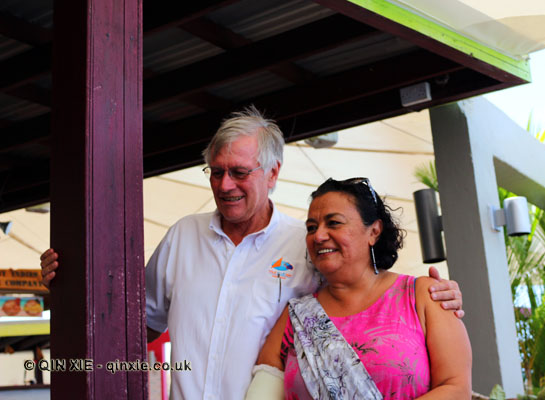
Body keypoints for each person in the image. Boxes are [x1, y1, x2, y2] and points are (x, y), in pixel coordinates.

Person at [40, 106, 464, 399]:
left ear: (273, 172)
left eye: (240, 172)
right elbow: (135, 329)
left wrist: (441, 298)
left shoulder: (307, 246)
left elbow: (364, 297)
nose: (225, 185)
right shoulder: (182, 237)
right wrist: (72, 288)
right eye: (217, 171)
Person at [249, 178, 471, 399]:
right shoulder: (296, 316)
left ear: (374, 231)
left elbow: (456, 388)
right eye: (311, 228)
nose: (318, 236)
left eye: (334, 222)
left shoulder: (423, 295)